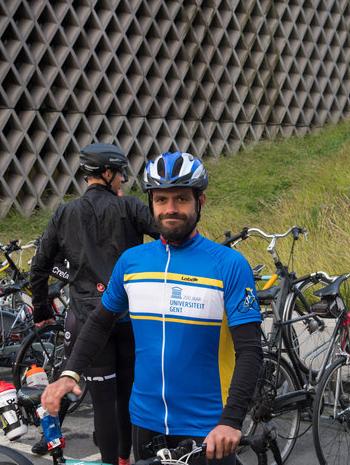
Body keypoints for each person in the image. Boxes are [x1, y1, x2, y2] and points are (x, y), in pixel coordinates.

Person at [40, 151, 263, 464]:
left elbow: (251, 350)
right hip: (145, 423)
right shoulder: (132, 262)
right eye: (161, 200)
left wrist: (231, 419)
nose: (170, 209)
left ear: (200, 202)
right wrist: (70, 373)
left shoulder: (228, 265)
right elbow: (100, 322)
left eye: (181, 199)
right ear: (151, 203)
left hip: (208, 426)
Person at [29, 142, 159, 465]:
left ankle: (109, 462)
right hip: (129, 320)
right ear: (107, 172)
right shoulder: (130, 207)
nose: (123, 182)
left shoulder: (64, 213)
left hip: (89, 320)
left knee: (103, 403)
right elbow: (168, 234)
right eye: (120, 175)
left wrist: (42, 309)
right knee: (126, 398)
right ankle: (124, 460)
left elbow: (39, 266)